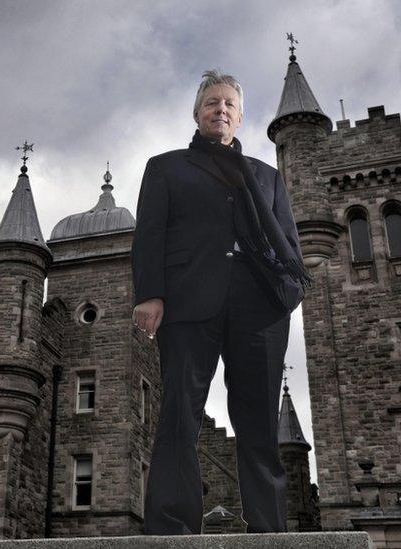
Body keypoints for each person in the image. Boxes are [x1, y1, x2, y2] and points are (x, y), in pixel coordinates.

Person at [132, 70, 308, 535]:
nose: (221, 109)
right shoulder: (166, 167)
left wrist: (288, 297)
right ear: (197, 113)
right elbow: (149, 235)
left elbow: (288, 239)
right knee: (179, 413)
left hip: (260, 306)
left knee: (258, 422)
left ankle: (269, 529)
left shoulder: (268, 176)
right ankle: (172, 527)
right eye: (212, 102)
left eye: (229, 103)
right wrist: (150, 295)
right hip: (188, 302)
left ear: (240, 116)